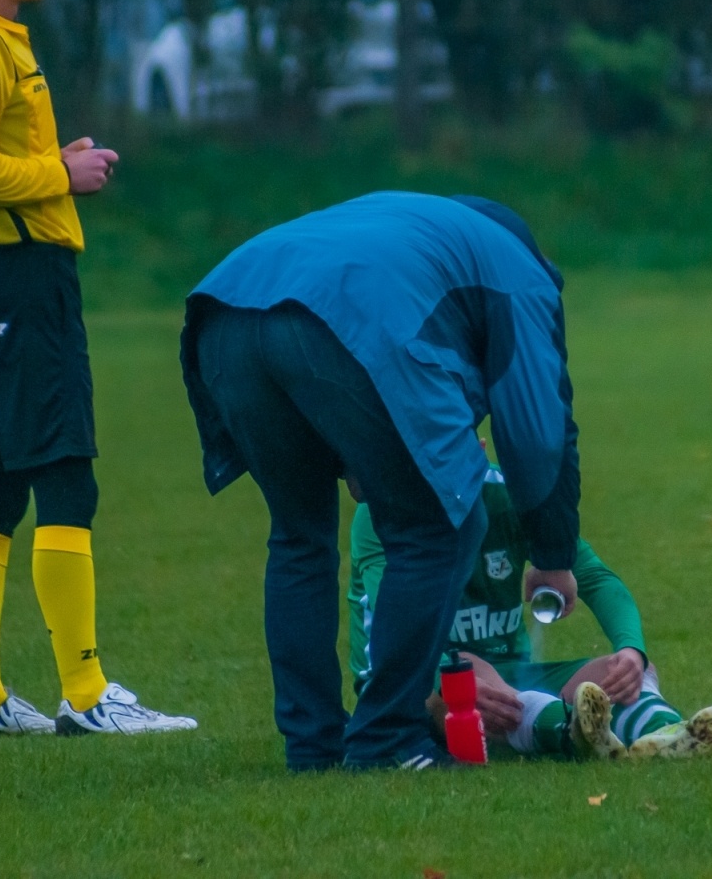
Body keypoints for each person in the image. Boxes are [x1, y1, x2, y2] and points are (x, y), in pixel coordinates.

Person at [180, 192, 582, 772]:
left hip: (227, 309)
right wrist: (551, 551)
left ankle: (313, 746)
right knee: (442, 525)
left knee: (299, 536)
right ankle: (388, 738)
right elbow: (538, 425)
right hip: (342, 316)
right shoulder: (519, 272)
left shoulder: (424, 230)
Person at [0, 0, 195, 737]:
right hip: (19, 289)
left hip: (2, 287)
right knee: (67, 475)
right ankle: (87, 697)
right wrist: (57, 178)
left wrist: (53, 157)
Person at [348, 461, 712, 761]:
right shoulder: (381, 514)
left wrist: (631, 651)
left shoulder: (508, 496)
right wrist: (444, 678)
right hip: (411, 683)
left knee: (620, 669)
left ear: (478, 449)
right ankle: (568, 730)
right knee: (465, 667)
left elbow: (596, 578)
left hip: (513, 675)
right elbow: (396, 629)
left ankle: (666, 733)